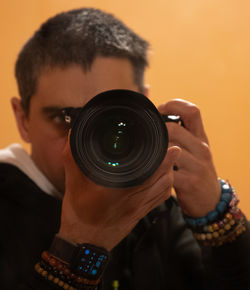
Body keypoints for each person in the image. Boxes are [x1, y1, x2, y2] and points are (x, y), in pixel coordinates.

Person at [0, 7, 249, 290]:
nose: (83, 141)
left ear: (144, 106)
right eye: (64, 118)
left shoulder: (156, 202)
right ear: (23, 120)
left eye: (109, 117)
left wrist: (215, 216)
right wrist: (80, 241)